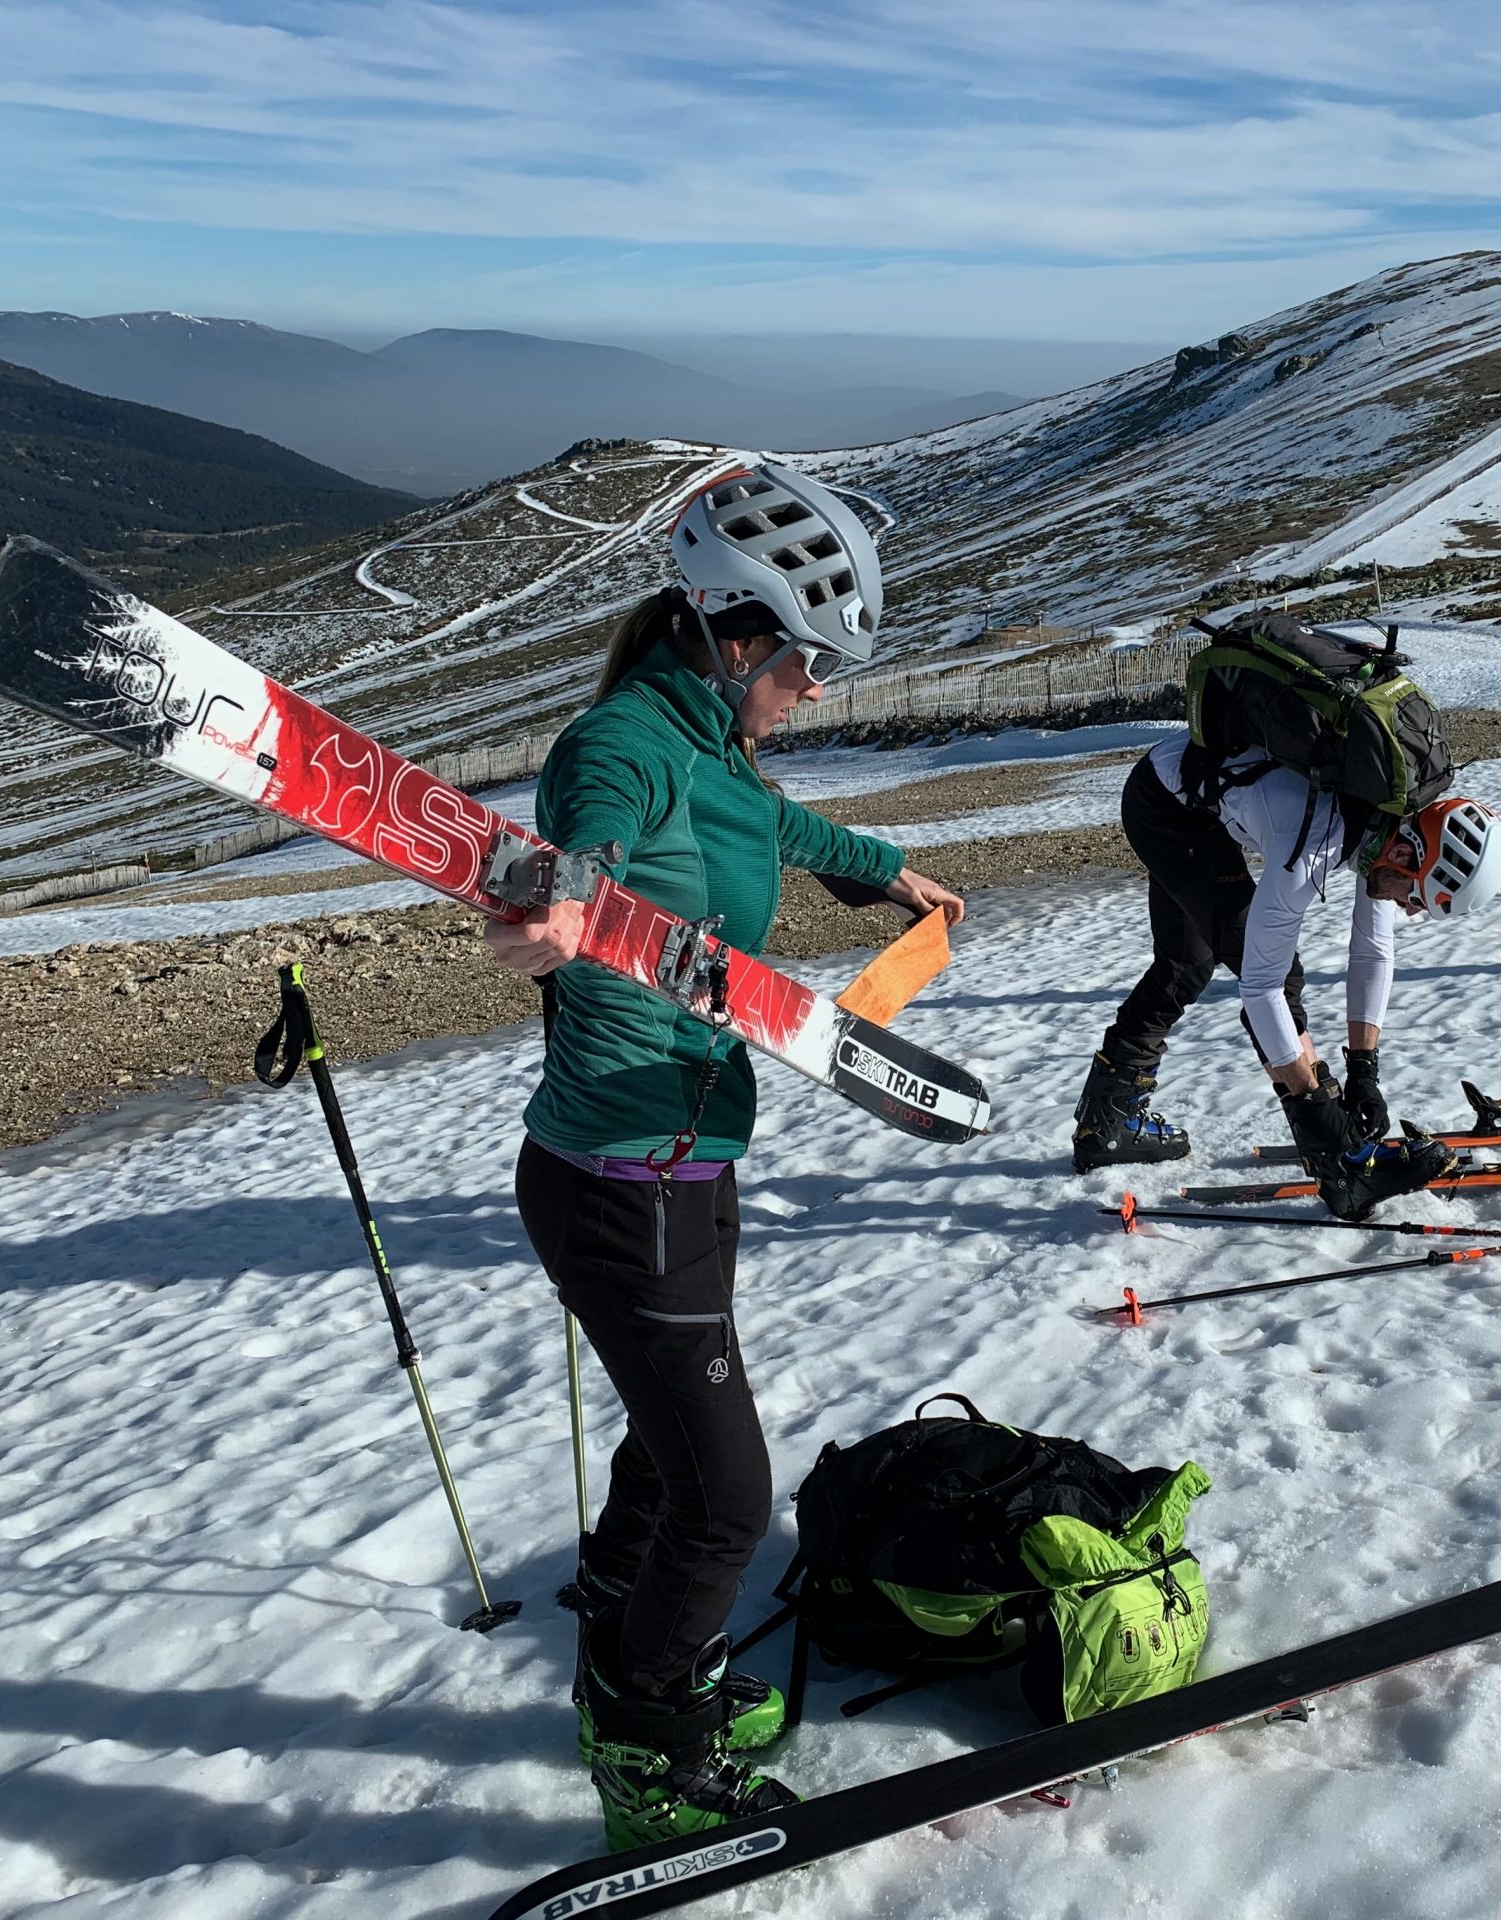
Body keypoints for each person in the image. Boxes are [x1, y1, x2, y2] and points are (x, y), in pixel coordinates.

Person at [484, 459, 964, 1850]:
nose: (816, 688)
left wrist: (879, 867)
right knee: (728, 1498)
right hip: (619, 1179)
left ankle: (632, 1664)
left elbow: (774, 822)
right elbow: (585, 841)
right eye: (807, 661)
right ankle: (648, 1748)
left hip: (685, 1165)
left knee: (674, 1452)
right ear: (734, 629)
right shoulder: (626, 740)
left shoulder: (713, 748)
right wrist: (558, 911)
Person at [1072, 726, 1501, 1219]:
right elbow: (1261, 988)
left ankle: (1104, 1128)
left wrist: (1364, 1070)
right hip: (1166, 806)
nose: (1409, 910)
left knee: (1186, 963)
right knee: (1272, 975)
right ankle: (1343, 1169)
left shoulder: (1392, 825)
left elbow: (1372, 951)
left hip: (1197, 786)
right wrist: (1317, 1105)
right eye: (1415, 897)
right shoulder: (1311, 847)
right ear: (1406, 854)